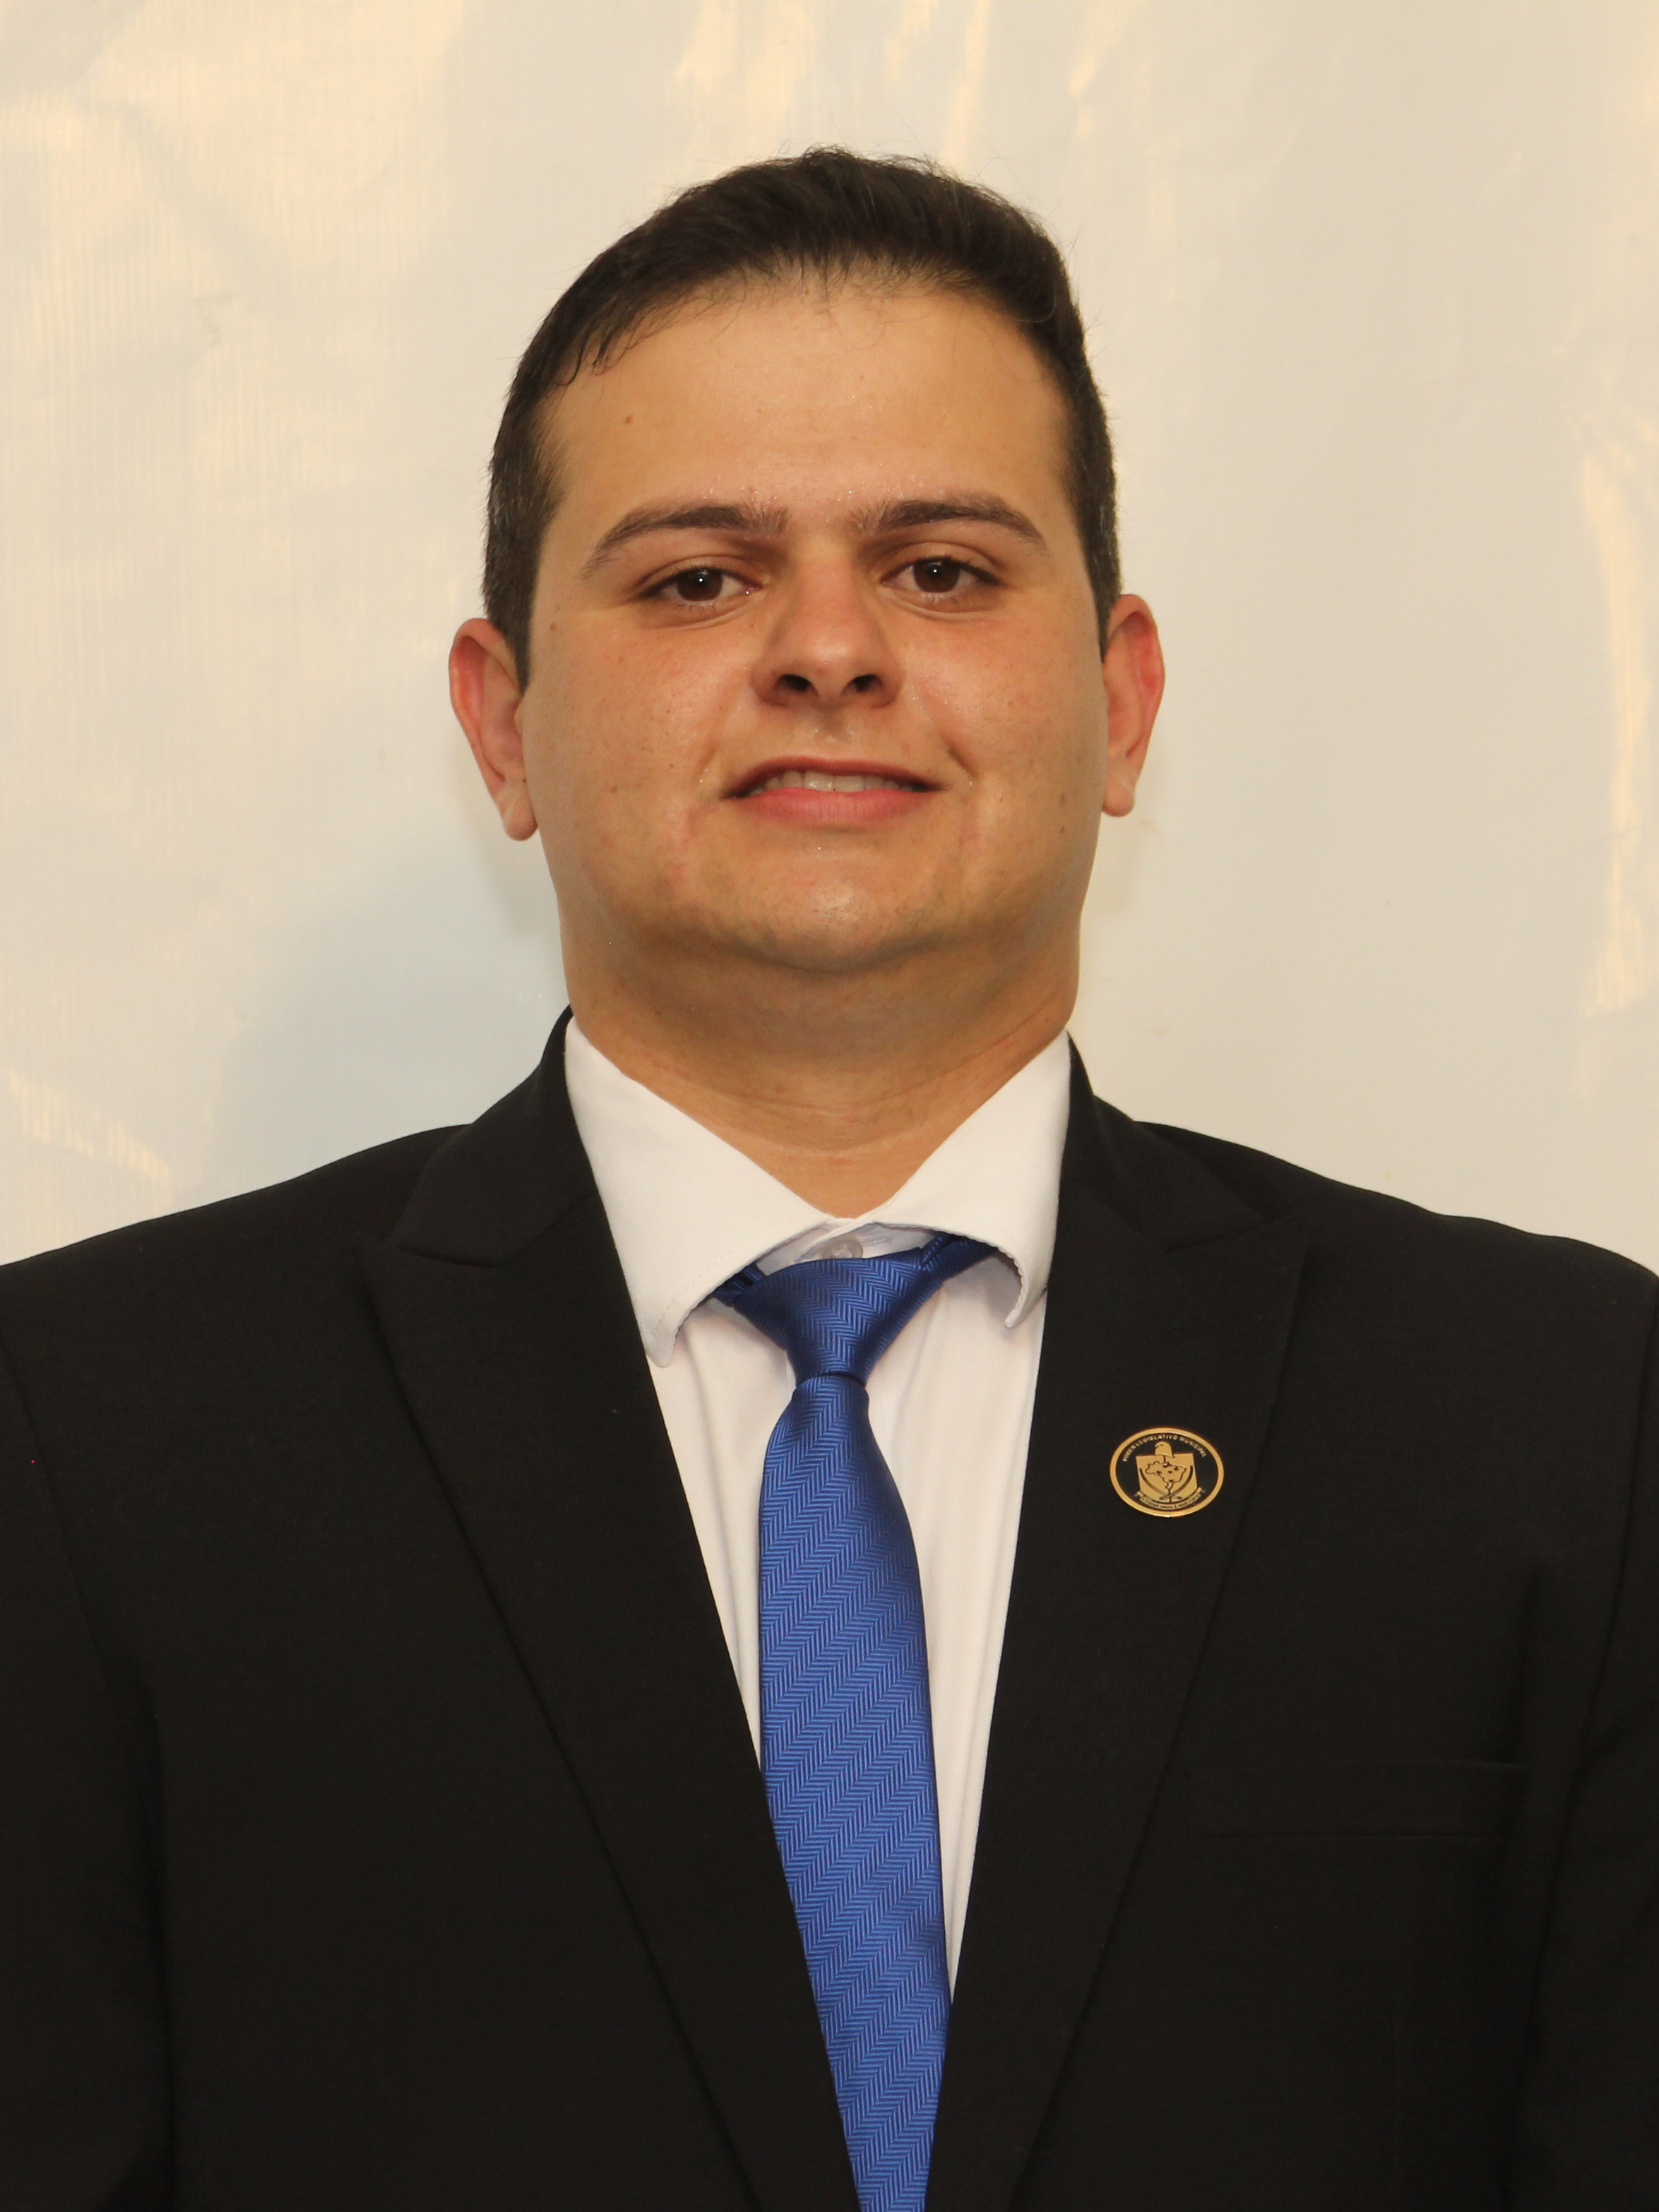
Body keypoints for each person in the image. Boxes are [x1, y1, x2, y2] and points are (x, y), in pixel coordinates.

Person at [1, 149, 1654, 2212]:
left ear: (1122, 700)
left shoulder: (1563, 1423)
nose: (830, 648)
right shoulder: (85, 1439)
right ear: (502, 724)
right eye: (698, 578)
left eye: (942, 569)